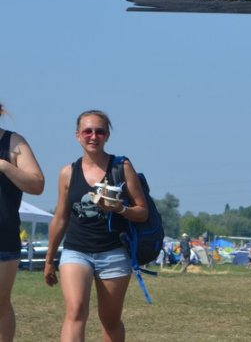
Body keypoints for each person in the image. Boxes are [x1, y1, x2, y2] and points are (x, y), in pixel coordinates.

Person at [44, 110, 149, 342]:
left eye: (99, 131)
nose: (93, 136)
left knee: (110, 320)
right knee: (75, 312)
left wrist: (120, 208)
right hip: (76, 251)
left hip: (113, 252)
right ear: (77, 135)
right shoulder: (68, 173)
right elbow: (60, 217)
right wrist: (49, 259)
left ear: (107, 135)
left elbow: (142, 212)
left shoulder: (122, 167)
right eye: (87, 131)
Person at [0, 103, 45, 342]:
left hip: (3, 237)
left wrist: (4, 165)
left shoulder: (13, 143)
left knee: (0, 304)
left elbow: (37, 185)